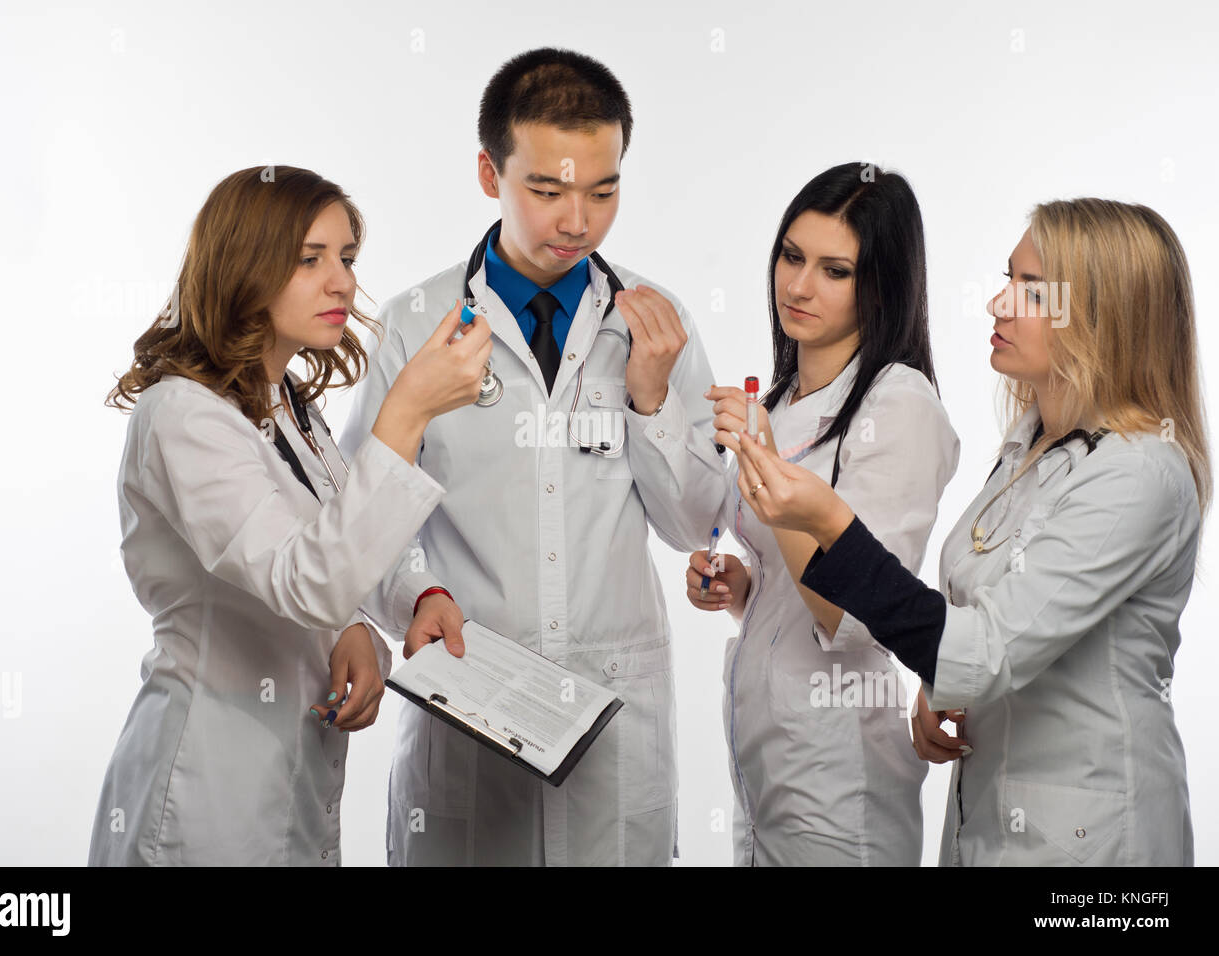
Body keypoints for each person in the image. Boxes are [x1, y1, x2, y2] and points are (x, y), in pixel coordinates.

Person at [731, 197, 1208, 866]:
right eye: (1009, 278)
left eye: (1032, 290)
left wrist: (831, 524)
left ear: (1105, 316)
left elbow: (985, 654)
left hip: (1094, 842)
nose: (999, 305)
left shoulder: (1140, 474)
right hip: (989, 817)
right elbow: (1007, 620)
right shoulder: (1030, 444)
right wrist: (938, 690)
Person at [338, 48, 725, 866]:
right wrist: (419, 592)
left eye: (604, 189)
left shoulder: (655, 322)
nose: (577, 221)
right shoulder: (415, 323)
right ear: (490, 172)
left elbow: (695, 523)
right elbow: (359, 520)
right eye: (547, 191)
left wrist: (650, 398)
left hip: (616, 713)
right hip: (471, 701)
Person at [89, 166, 492, 865]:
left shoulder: (284, 404)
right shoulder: (183, 414)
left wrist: (399, 604)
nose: (342, 282)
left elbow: (333, 541)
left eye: (346, 258)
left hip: (295, 781)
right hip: (206, 786)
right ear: (243, 266)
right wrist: (408, 411)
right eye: (310, 260)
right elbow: (305, 581)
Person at [686, 163, 959, 865]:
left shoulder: (899, 404)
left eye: (835, 270)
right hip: (765, 766)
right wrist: (743, 590)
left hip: (839, 776)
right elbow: (794, 589)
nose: (799, 285)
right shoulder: (779, 399)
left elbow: (861, 613)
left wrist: (768, 473)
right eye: (791, 255)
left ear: (882, 286)